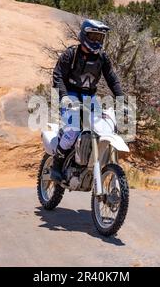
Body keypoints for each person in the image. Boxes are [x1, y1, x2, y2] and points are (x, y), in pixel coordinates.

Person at [51, 19, 125, 182]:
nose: (97, 41)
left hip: (89, 97)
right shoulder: (71, 54)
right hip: (70, 94)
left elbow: (112, 79)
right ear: (84, 35)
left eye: (100, 38)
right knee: (73, 131)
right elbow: (58, 76)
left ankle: (85, 161)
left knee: (103, 128)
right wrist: (64, 97)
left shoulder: (102, 58)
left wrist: (121, 99)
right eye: (93, 36)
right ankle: (56, 164)